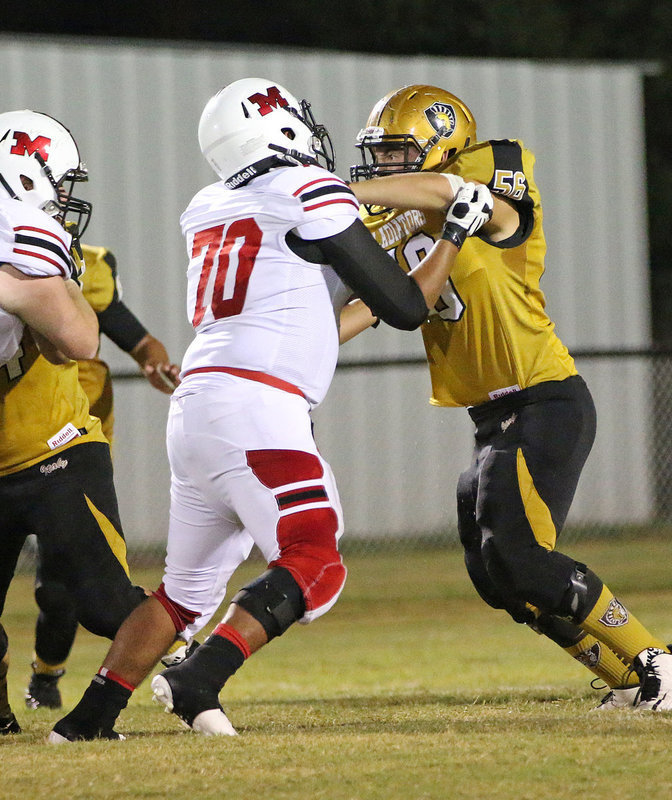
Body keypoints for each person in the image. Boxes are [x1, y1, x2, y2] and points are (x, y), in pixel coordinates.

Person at [49, 77, 492, 742]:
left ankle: (86, 721)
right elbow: (404, 306)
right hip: (257, 404)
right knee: (316, 559)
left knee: (184, 594)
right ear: (277, 128)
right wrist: (454, 231)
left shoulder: (208, 203)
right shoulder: (306, 190)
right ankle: (199, 678)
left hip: (200, 404)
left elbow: (309, 285)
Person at [342, 84, 672, 711]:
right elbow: (374, 307)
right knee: (497, 576)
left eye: (397, 154)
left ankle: (662, 660)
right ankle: (623, 677)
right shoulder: (408, 225)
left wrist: (340, 195)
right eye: (380, 156)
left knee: (522, 552)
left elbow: (450, 194)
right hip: (493, 416)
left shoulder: (486, 172)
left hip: (544, 398)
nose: (383, 168)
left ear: (441, 142)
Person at [0, 109, 148, 734]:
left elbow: (77, 341)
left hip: (51, 448)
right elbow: (77, 336)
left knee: (103, 601)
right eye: (58, 185)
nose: (63, 204)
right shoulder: (24, 227)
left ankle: (194, 668)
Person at [24, 236, 181, 711]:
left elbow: (131, 334)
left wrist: (153, 360)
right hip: (17, 445)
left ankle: (48, 678)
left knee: (66, 585)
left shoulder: (87, 265)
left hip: (69, 450)